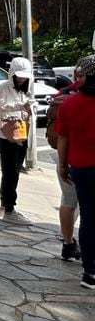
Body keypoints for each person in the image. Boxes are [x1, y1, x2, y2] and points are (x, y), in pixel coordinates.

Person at [56, 54, 95, 289]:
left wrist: (62, 165)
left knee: (89, 219)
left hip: (80, 168)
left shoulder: (69, 103)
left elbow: (63, 137)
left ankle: (90, 271)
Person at [0, 57, 34, 225]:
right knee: (10, 173)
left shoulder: (23, 89)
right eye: (19, 75)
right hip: (6, 135)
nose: (21, 79)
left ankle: (4, 204)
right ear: (12, 73)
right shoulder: (4, 88)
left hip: (20, 132)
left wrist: (29, 106)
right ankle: (9, 208)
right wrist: (16, 107)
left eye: (24, 76)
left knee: (13, 172)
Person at [48, 65, 84, 260]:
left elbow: (61, 135)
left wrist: (62, 163)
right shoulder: (86, 98)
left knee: (68, 200)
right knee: (87, 206)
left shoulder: (63, 94)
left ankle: (68, 242)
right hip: (85, 161)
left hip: (68, 158)